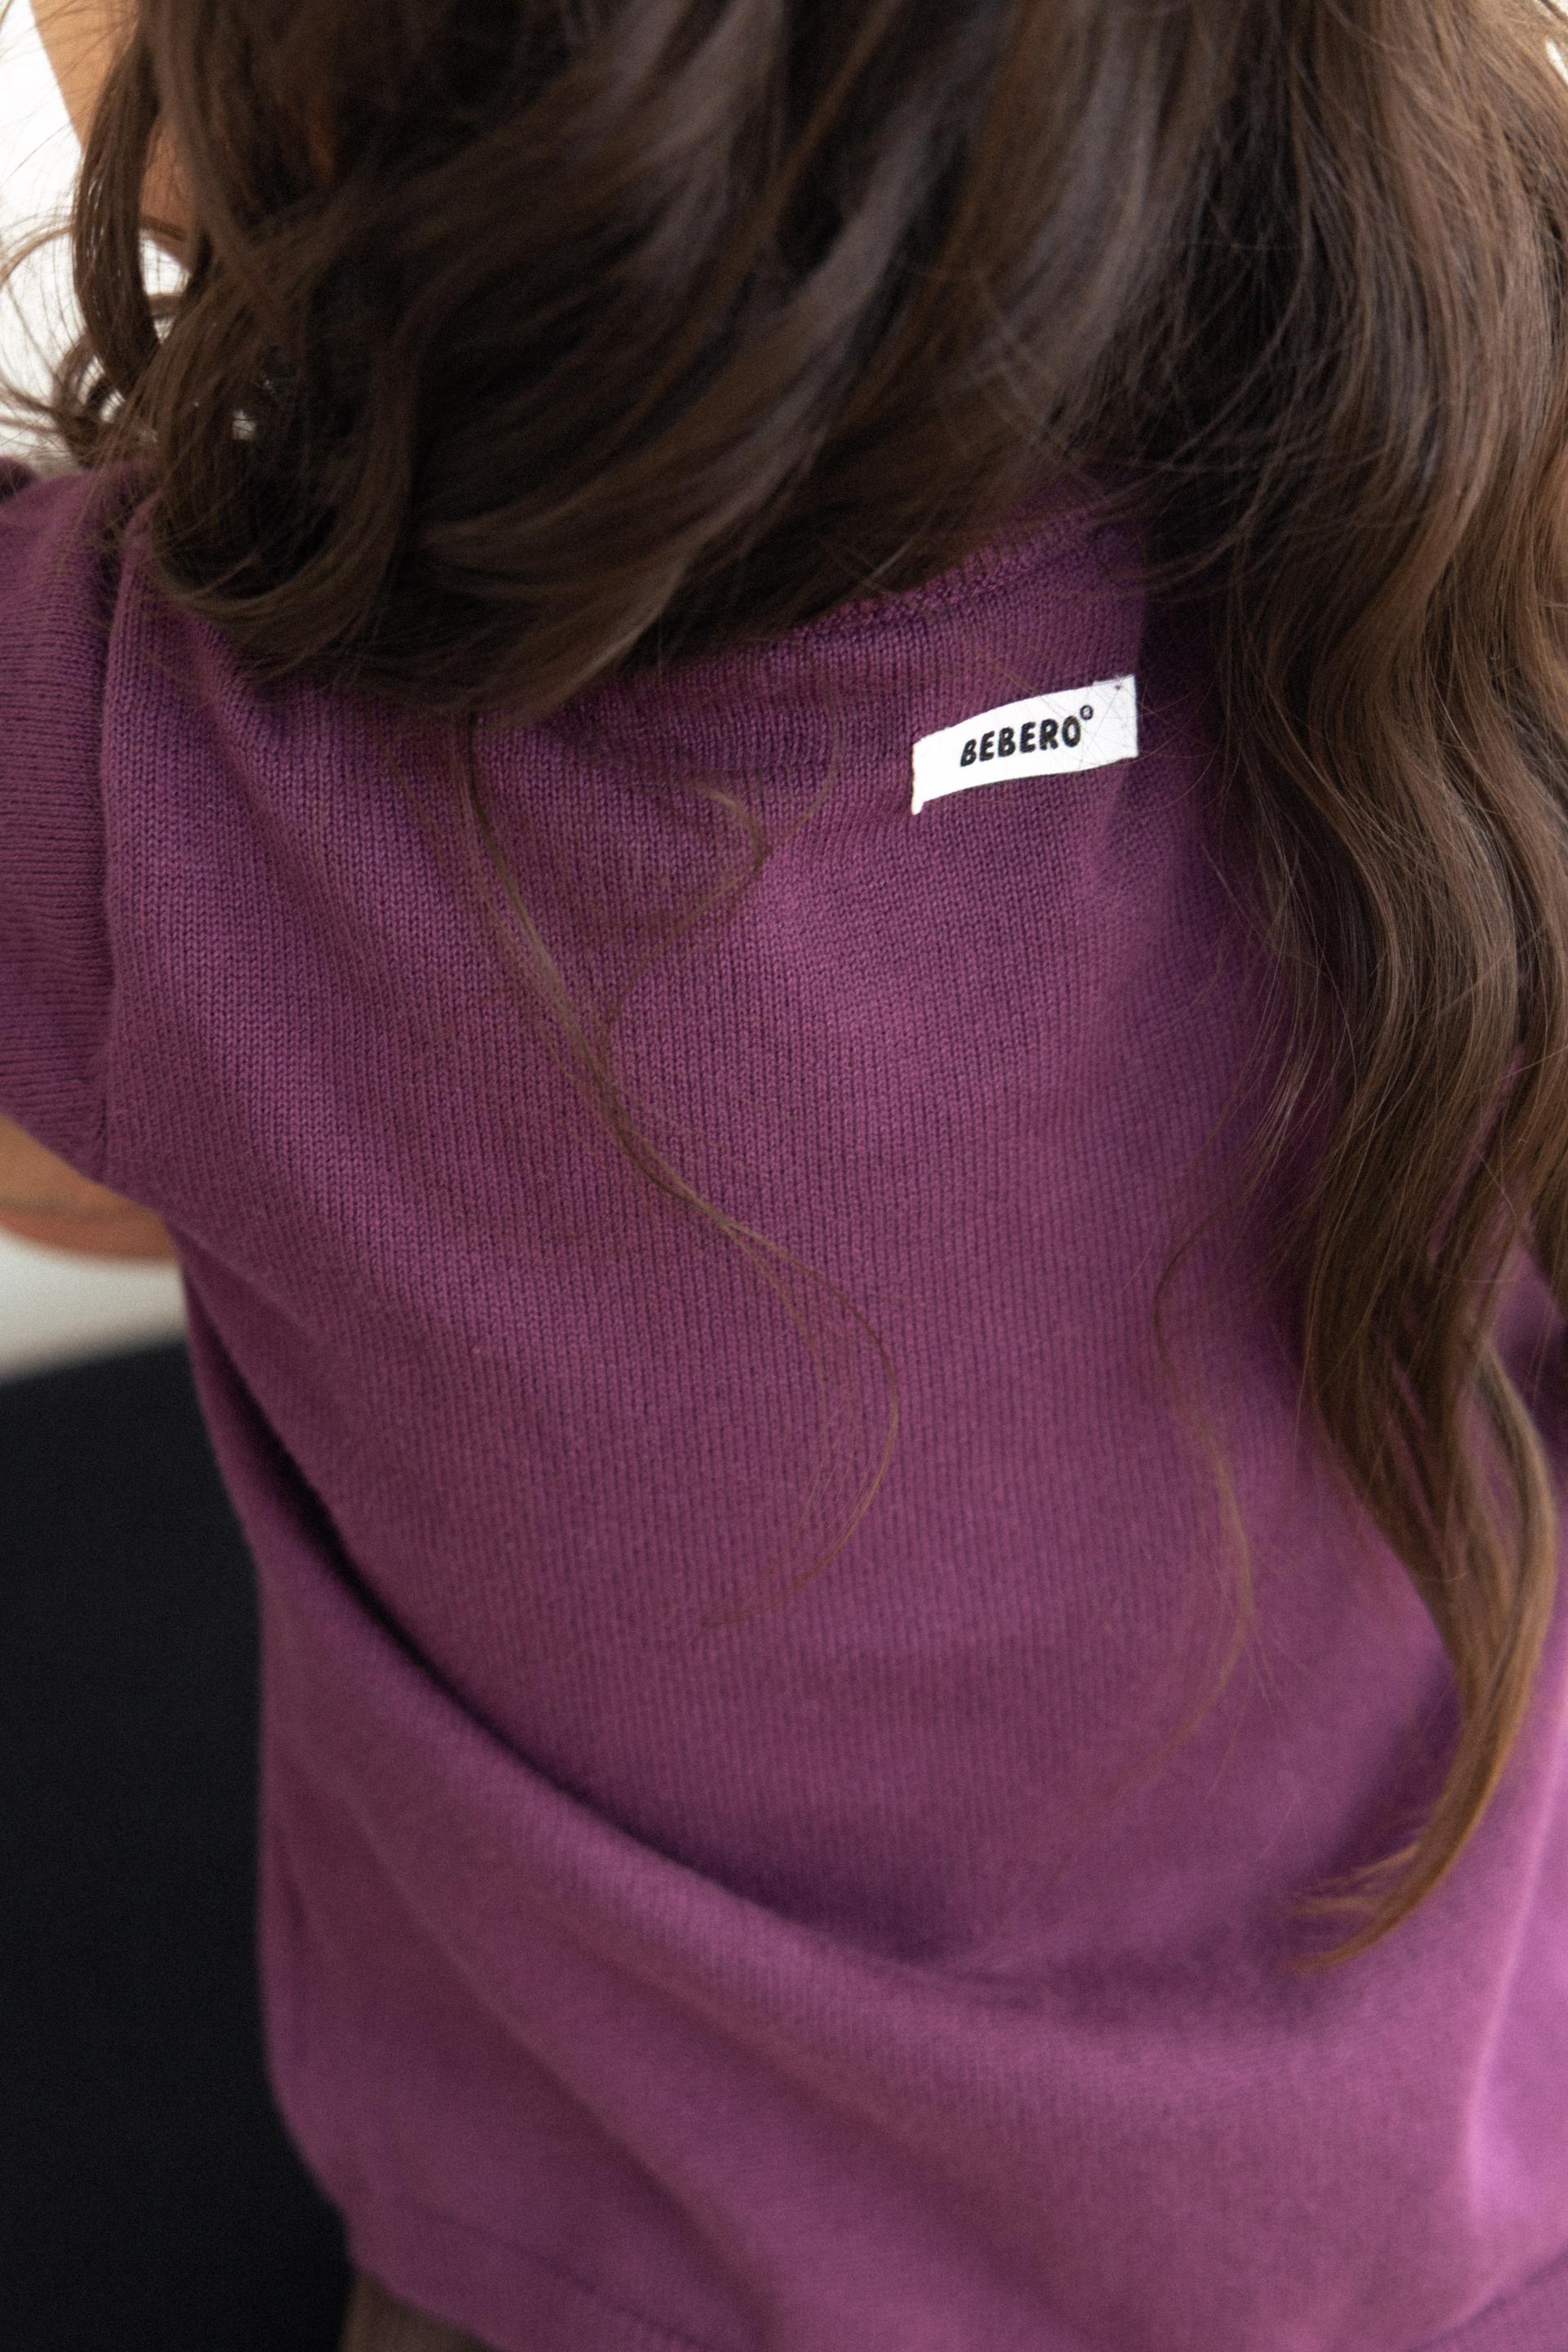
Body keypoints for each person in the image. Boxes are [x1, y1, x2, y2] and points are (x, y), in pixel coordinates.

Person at [4, 2, 1568, 2347]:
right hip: (1465, 2237)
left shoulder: (127, 771)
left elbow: (72, 1199)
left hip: (609, 2286)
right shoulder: (1504, 454)